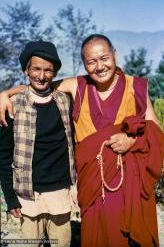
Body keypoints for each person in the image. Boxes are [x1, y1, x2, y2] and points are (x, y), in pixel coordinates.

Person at [0, 34, 164, 247]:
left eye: (104, 58)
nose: (100, 66)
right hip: (93, 184)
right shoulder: (77, 86)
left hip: (128, 183)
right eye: (91, 62)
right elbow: (41, 85)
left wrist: (132, 141)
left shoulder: (135, 87)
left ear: (114, 55)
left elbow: (156, 133)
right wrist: (6, 93)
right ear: (84, 65)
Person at [0, 40, 76, 247]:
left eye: (48, 70)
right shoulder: (12, 106)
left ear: (55, 72)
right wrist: (10, 198)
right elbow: (4, 155)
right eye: (36, 69)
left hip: (60, 193)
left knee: (62, 242)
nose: (41, 76)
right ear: (26, 70)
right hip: (27, 195)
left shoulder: (66, 101)